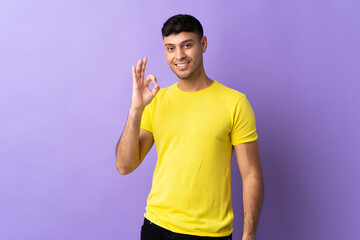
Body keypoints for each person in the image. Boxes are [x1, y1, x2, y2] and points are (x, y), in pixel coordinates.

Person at [116, 14, 264, 240]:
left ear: (202, 44)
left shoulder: (235, 103)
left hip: (210, 234)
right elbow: (124, 166)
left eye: (187, 45)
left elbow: (252, 174)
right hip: (157, 227)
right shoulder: (155, 101)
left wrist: (249, 235)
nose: (179, 55)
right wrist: (135, 110)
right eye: (171, 48)